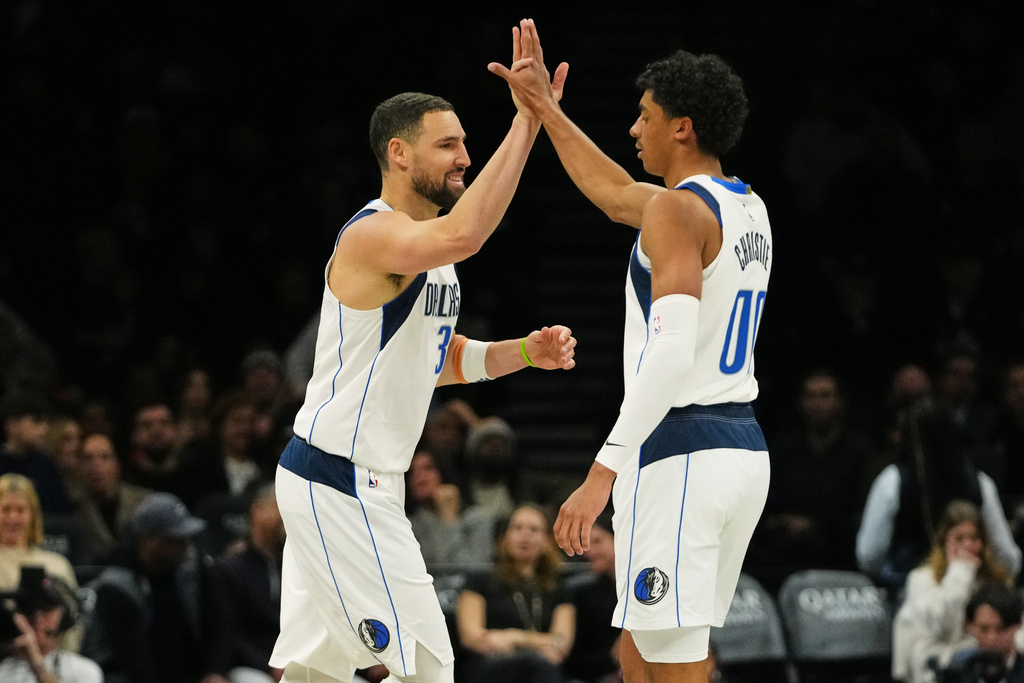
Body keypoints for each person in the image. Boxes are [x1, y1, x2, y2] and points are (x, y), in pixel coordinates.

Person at [270, 54, 577, 683]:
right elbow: (468, 234)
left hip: (366, 480)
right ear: (399, 153)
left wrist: (523, 352)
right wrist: (530, 119)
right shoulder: (374, 237)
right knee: (426, 667)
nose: (464, 156)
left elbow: (435, 361)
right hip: (336, 478)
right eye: (448, 145)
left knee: (318, 675)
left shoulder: (434, 254)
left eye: (466, 143)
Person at [490, 19, 771, 683]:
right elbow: (616, 194)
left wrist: (600, 474)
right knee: (639, 658)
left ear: (682, 127)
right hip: (737, 448)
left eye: (644, 117)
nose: (632, 130)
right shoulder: (744, 206)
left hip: (682, 454)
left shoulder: (679, 213)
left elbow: (670, 355)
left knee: (670, 666)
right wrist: (546, 112)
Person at [856, 405, 1020, 592]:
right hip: (968, 597)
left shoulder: (891, 481)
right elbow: (1007, 557)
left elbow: (868, 556)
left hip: (907, 592)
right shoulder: (980, 483)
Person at [82, 492, 239, 683]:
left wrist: (215, 672)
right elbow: (136, 666)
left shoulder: (193, 568)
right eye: (176, 540)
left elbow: (220, 624)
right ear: (150, 541)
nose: (186, 547)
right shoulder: (117, 587)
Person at [892, 500, 1014, 682]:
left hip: (988, 659)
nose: (967, 545)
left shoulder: (995, 579)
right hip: (935, 663)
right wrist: (959, 574)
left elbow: (1010, 623)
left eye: (974, 538)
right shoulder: (921, 579)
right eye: (959, 538)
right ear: (944, 540)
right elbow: (941, 625)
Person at [456, 504, 575, 683]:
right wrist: (540, 643)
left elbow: (561, 643)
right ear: (504, 537)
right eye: (517, 528)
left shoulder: (559, 585)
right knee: (539, 665)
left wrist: (512, 637)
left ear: (547, 541)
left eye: (534, 529)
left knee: (543, 666)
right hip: (491, 667)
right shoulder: (479, 579)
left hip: (543, 666)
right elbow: (472, 637)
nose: (524, 535)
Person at [215, 482, 287, 683]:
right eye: (281, 507)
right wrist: (269, 665)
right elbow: (230, 633)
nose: (288, 517)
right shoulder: (230, 568)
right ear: (257, 511)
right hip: (250, 665)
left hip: (296, 661)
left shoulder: (299, 566)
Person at [0, 569, 102, 683]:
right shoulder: (2, 668)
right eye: (29, 609)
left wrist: (35, 662)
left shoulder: (83, 670)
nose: (37, 618)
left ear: (65, 617)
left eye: (46, 609)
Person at [406, 447, 495, 567]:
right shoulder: (408, 524)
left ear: (444, 471)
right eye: (412, 472)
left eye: (428, 468)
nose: (418, 476)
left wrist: (449, 519)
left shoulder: (477, 519)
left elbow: (472, 570)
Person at [73, 432, 153, 564]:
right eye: (88, 458)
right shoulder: (73, 507)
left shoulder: (145, 502)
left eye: (105, 457)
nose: (96, 466)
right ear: (79, 467)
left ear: (117, 464)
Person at [564, 508, 621, 683]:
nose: (589, 550)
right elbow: (574, 660)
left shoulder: (643, 588)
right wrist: (613, 656)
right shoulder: (580, 592)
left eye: (597, 541)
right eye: (587, 543)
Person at [0, 474, 77, 594]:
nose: (13, 517)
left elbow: (74, 610)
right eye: (6, 509)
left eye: (20, 510)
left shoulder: (57, 565)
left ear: (33, 516)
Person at [0, 392, 72, 515]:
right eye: (36, 421)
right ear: (12, 425)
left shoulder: (46, 465)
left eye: (46, 422)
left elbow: (61, 514)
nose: (44, 428)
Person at [942, 582, 1024, 683]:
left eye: (1001, 629)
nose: (992, 637)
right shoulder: (959, 667)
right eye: (984, 629)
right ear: (969, 626)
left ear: (1018, 625)